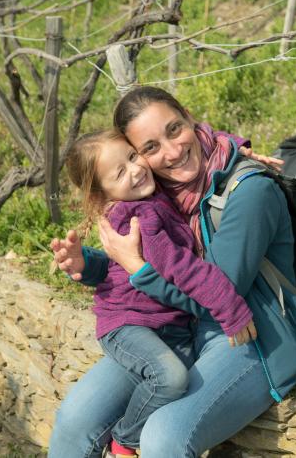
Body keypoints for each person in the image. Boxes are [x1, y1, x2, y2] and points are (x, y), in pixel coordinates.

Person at [49, 86, 296, 458]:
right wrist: (91, 263)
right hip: (176, 328)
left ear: (190, 118)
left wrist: (137, 268)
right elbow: (139, 258)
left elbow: (215, 295)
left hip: (253, 332)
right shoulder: (159, 190)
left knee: (163, 435)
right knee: (75, 418)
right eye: (151, 147)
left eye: (175, 129)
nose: (172, 152)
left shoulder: (249, 192)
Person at [63, 129, 257, 457]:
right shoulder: (141, 215)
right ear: (103, 195)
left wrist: (236, 148)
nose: (136, 169)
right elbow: (180, 267)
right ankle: (124, 441)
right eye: (120, 172)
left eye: (133, 156)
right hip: (129, 324)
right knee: (169, 378)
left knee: (171, 379)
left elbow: (198, 137)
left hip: (168, 326)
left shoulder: (150, 192)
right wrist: (228, 304)